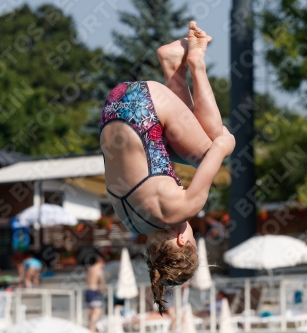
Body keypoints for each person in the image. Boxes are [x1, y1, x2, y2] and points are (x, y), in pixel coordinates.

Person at [100, 21, 235, 314]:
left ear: (181, 240)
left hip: (143, 104)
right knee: (185, 150)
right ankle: (176, 64)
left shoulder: (181, 210)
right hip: (114, 105)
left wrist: (228, 143)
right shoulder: (131, 222)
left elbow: (218, 148)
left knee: (208, 148)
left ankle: (195, 62)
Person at [85, 257, 106, 333]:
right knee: (97, 311)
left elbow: (86, 281)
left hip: (87, 291)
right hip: (94, 292)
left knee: (91, 312)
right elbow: (102, 283)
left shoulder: (89, 270)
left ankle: (89, 328)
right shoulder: (99, 271)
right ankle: (92, 328)